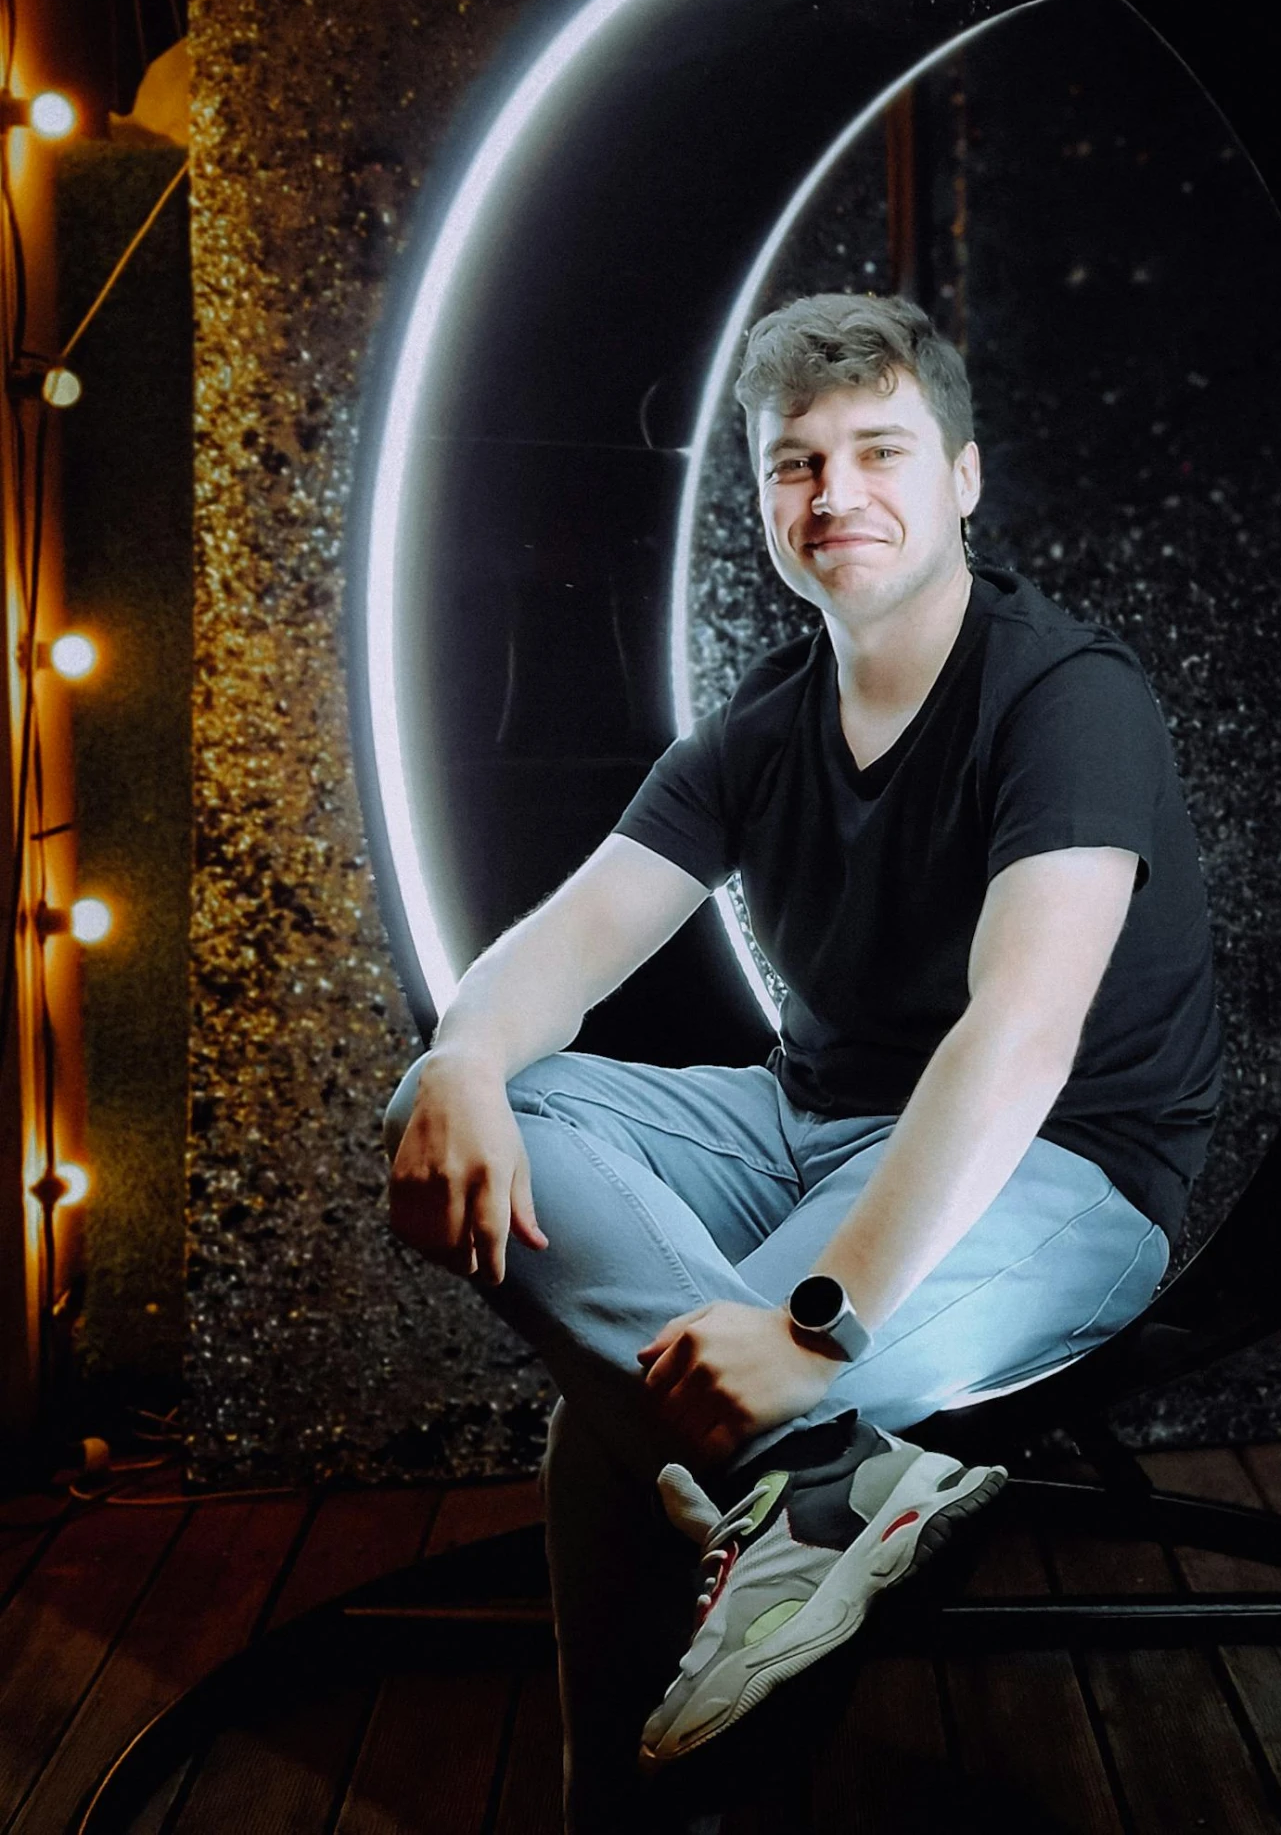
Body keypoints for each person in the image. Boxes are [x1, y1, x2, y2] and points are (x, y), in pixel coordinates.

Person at [383, 293, 1223, 1832]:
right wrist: (458, 1054)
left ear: (965, 477)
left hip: (1065, 1163)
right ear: (764, 498)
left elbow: (1019, 1037)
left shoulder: (1066, 695)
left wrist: (815, 1323)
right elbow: (567, 946)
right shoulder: (764, 720)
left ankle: (658, 1770)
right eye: (796, 463)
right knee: (503, 1092)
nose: (835, 494)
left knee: (624, 1414)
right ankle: (824, 1486)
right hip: (807, 1117)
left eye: (880, 449)